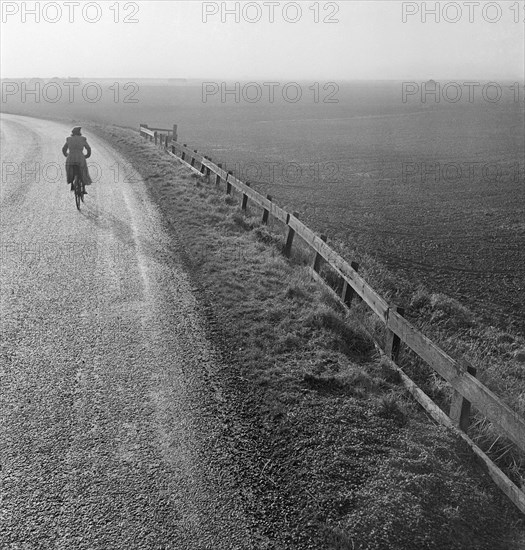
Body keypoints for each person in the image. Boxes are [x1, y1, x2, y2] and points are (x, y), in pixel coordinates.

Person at [62, 126, 92, 194]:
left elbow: (64, 149)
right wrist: (87, 155)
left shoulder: (69, 139)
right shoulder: (83, 139)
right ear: (79, 132)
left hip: (71, 157)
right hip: (80, 157)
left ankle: (72, 184)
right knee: (83, 171)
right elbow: (88, 148)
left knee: (69, 169)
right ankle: (83, 189)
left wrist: (67, 155)